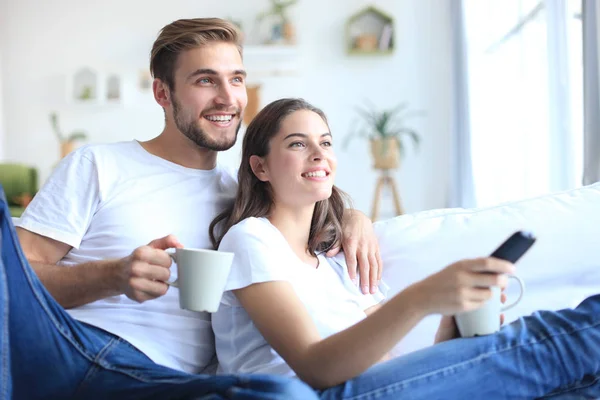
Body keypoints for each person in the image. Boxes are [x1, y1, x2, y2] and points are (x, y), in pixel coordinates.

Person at [9, 18, 380, 399]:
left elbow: (308, 225)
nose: (228, 97)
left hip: (183, 380)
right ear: (162, 94)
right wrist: (113, 276)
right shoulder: (99, 165)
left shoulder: (243, 201)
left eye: (236, 79)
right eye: (205, 80)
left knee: (280, 393)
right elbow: (12, 281)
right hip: (90, 352)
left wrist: (354, 218)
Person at [210, 97, 600, 399]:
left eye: (326, 142)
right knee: (562, 335)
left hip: (377, 388)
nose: (319, 154)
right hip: (322, 393)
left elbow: (395, 369)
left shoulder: (334, 261)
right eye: (298, 143)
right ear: (261, 168)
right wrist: (421, 298)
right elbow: (316, 367)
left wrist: (451, 325)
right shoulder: (251, 239)